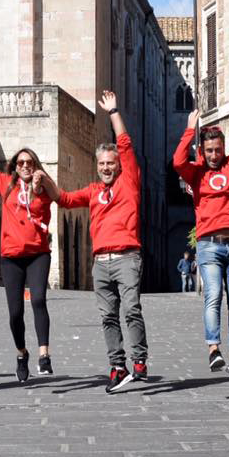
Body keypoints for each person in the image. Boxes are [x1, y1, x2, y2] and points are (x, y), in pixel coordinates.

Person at [55, 91, 150, 393]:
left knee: (131, 308)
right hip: (101, 263)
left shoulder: (129, 181)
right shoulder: (93, 191)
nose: (107, 167)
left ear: (119, 165)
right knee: (108, 316)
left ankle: (139, 359)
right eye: (102, 163)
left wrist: (113, 112)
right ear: (96, 165)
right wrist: (43, 181)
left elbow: (125, 143)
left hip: (127, 257)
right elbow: (65, 199)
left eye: (111, 163)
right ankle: (117, 366)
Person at [173, 83, 229, 378]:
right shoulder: (196, 173)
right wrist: (189, 130)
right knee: (213, 297)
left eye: (217, 150)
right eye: (208, 150)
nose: (213, 155)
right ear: (202, 151)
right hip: (209, 245)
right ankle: (213, 350)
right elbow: (177, 161)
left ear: (224, 149)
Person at [0, 141, 57, 382]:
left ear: (36, 165)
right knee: (15, 312)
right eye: (21, 162)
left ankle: (44, 355)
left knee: (38, 300)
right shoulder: (5, 183)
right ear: (15, 166)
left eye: (30, 162)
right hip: (11, 257)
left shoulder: (44, 188)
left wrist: (44, 180)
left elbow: (60, 195)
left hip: (38, 253)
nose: (25, 166)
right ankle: (21, 353)